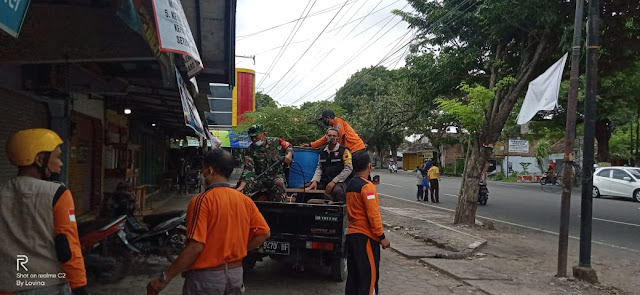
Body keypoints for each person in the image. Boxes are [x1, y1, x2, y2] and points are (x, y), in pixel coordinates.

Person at [147, 148, 271, 295]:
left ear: (209, 170)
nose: (201, 173)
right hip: (235, 275)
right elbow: (264, 233)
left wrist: (164, 278)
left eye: (202, 169)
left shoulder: (202, 201)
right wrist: (241, 250)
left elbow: (195, 246)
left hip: (206, 280)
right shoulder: (245, 201)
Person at [0, 128, 89, 295]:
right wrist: (80, 287)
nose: (61, 163)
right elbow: (66, 245)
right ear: (40, 160)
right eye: (57, 157)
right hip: (48, 286)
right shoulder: (57, 193)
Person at [345, 151, 391, 295]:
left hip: (351, 236)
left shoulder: (351, 184)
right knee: (368, 279)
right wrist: (382, 237)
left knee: (353, 279)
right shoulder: (367, 187)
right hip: (365, 238)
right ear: (369, 166)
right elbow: (373, 215)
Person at [236, 124, 293, 202]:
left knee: (279, 185)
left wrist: (289, 154)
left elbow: (288, 146)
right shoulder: (250, 150)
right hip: (259, 178)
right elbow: (248, 169)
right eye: (252, 137)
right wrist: (241, 187)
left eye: (256, 136)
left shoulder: (276, 142)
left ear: (263, 133)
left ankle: (280, 210)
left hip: (275, 176)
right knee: (246, 188)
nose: (254, 139)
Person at [306, 128, 353, 202]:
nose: (332, 137)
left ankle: (338, 212)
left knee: (338, 192)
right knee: (303, 189)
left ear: (338, 138)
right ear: (326, 137)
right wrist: (314, 181)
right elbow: (319, 168)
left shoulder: (344, 151)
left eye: (334, 136)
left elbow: (348, 169)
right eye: (329, 135)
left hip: (340, 182)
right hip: (324, 181)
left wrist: (334, 181)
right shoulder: (322, 151)